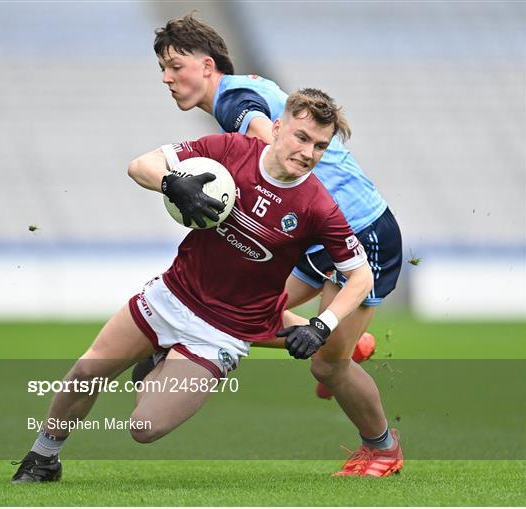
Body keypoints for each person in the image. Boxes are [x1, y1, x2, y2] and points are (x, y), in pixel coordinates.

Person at [11, 89, 400, 484]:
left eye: (320, 146)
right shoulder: (231, 151)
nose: (308, 152)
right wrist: (170, 183)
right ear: (278, 128)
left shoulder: (318, 205)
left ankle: (157, 365)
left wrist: (323, 325)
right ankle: (43, 458)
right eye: (301, 137)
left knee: (144, 428)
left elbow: (361, 275)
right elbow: (140, 165)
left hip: (221, 334)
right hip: (170, 296)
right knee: (86, 373)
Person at [133, 13, 404, 477]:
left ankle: (383, 449)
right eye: (163, 66)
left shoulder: (235, 100)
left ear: (207, 64)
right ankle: (349, 342)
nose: (166, 76)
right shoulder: (242, 86)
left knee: (326, 365)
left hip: (361, 233)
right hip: (316, 232)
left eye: (175, 64)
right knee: (237, 304)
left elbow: (270, 153)